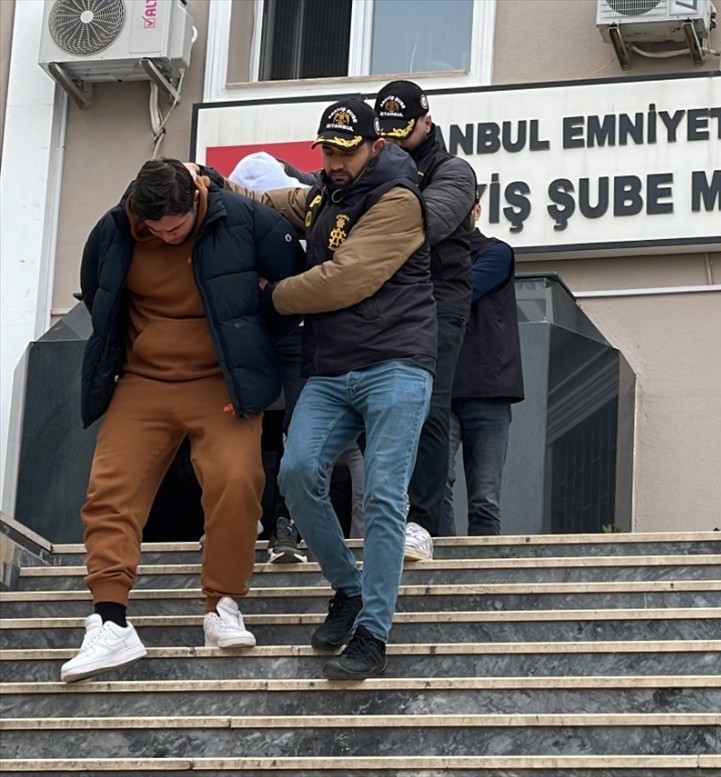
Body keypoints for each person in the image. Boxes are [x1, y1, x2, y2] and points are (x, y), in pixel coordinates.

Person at [202, 98, 436, 679]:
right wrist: (214, 183)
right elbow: (267, 200)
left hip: (396, 363)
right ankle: (349, 590)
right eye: (326, 150)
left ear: (376, 145)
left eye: (345, 150)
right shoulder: (326, 196)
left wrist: (267, 295)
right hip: (333, 368)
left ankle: (372, 633)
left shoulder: (399, 202)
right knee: (296, 474)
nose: (332, 160)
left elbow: (344, 280)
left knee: (383, 495)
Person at [61, 158, 305, 683]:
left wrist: (263, 362)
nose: (168, 236)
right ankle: (109, 620)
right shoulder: (113, 230)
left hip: (222, 379)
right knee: (110, 491)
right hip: (143, 381)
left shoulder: (246, 219)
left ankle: (222, 605)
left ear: (195, 199)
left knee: (237, 482)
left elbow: (293, 292)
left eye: (178, 226)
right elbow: (97, 294)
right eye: (156, 229)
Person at [226, 152, 366, 561]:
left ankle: (287, 525)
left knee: (296, 433)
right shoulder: (234, 226)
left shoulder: (315, 217)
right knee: (244, 428)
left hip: (303, 336)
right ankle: (238, 516)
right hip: (256, 335)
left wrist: (273, 289)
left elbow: (332, 278)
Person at [375, 80, 478, 556]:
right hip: (385, 303)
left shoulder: (454, 170)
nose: (395, 141)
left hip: (439, 302)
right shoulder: (365, 169)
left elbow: (424, 226)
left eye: (403, 131)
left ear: (427, 121)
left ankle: (422, 521)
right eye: (386, 134)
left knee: (431, 409)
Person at [442, 190, 524, 535]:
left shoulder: (496, 253)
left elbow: (463, 293)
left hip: (487, 392)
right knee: (435, 489)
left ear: (477, 210)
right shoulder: (431, 259)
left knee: (485, 498)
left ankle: (483, 581)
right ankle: (439, 570)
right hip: (441, 391)